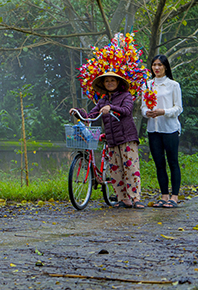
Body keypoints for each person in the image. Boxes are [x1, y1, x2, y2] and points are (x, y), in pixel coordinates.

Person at [70, 71, 143, 209]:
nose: (110, 83)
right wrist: (78, 111)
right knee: (116, 170)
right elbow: (91, 115)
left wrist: (111, 108)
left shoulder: (126, 96)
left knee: (131, 168)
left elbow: (127, 110)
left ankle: (135, 199)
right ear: (103, 84)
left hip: (126, 137)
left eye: (112, 80)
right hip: (112, 140)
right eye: (107, 81)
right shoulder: (102, 101)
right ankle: (123, 199)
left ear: (118, 83)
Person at [141, 55, 184, 208]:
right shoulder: (147, 85)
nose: (157, 68)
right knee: (159, 163)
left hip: (170, 128)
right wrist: (147, 113)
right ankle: (164, 195)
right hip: (153, 129)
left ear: (165, 66)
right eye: (154, 65)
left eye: (160, 65)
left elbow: (178, 108)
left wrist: (163, 112)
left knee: (173, 162)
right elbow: (143, 107)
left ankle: (174, 196)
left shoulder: (173, 85)